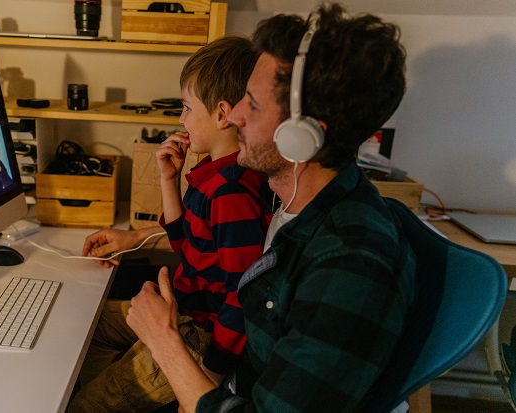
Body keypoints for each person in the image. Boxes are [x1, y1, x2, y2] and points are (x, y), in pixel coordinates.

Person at [125, 3, 417, 412]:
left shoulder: (350, 265)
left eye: (253, 105)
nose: (235, 115)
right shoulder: (289, 199)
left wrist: (165, 341)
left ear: (304, 137)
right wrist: (141, 235)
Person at [70, 36, 270, 413]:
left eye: (187, 107)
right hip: (180, 312)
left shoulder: (231, 192)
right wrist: (168, 181)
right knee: (88, 326)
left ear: (223, 114)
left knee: (83, 406)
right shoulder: (211, 174)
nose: (181, 119)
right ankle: (113, 391)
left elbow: (240, 295)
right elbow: (186, 243)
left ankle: (104, 399)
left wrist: (210, 373)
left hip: (197, 336)